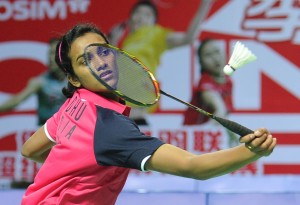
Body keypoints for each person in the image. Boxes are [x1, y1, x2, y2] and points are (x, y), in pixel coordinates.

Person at [21, 23, 276, 205]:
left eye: (102, 51)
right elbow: (194, 167)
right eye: (84, 60)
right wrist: (252, 152)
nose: (99, 62)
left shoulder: (75, 103)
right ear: (74, 79)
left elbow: (30, 150)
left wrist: (74, 168)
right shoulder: (108, 128)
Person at [108, 0, 214, 125]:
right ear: (130, 19)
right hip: (121, 112)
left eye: (147, 15)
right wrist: (112, 42)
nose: (141, 17)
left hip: (137, 113)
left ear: (154, 22)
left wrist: (205, 4)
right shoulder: (125, 43)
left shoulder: (155, 34)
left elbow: (188, 38)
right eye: (138, 13)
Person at [183, 39, 239, 146]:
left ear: (226, 54)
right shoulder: (205, 83)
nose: (215, 58)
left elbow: (224, 115)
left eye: (217, 52)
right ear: (201, 62)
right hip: (195, 138)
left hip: (209, 137)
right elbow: (220, 110)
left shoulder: (228, 82)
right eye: (208, 55)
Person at [0, 38, 67, 126]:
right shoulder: (40, 82)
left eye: (53, 53)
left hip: (69, 133)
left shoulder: (76, 80)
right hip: (47, 135)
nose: (50, 58)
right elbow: (16, 100)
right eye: (49, 53)